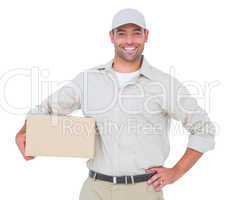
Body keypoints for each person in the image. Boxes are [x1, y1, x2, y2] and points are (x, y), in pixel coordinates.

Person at [15, 8, 216, 200]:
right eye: (122, 33)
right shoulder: (88, 80)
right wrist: (23, 132)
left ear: (146, 35)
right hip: (94, 189)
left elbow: (203, 128)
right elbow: (46, 109)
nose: (129, 41)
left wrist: (176, 172)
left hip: (143, 191)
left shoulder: (164, 84)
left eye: (136, 33)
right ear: (112, 37)